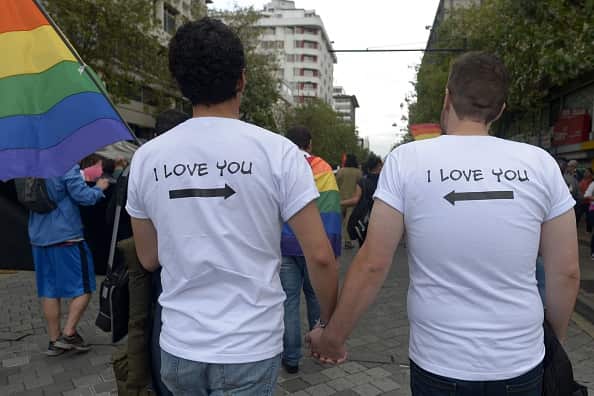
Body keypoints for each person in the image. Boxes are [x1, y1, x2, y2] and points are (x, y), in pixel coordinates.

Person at [309, 52, 580, 395]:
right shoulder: (540, 164)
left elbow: (373, 263)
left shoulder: (407, 160)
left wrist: (333, 337)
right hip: (520, 361)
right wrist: (551, 340)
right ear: (500, 110)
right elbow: (567, 271)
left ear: (447, 97)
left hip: (439, 361)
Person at [126, 18, 338, 395]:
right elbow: (320, 256)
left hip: (178, 344)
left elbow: (148, 257)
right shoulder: (278, 153)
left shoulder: (147, 158)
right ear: (242, 79)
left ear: (181, 83)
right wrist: (328, 326)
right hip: (249, 345)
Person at [28, 165, 109, 355]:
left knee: (49, 290)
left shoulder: (29, 165)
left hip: (39, 237)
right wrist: (100, 187)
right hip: (67, 236)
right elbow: (84, 197)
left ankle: (54, 340)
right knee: (85, 286)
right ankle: (69, 333)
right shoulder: (64, 163)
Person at [280, 126, 341, 374]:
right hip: (315, 246)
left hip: (284, 246)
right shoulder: (323, 168)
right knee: (316, 297)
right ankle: (320, 349)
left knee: (289, 302)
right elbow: (331, 212)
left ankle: (292, 358)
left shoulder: (279, 165)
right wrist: (332, 249)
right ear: (310, 144)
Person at [343, 155, 383, 246]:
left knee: (364, 246)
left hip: (365, 219)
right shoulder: (385, 181)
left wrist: (340, 203)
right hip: (381, 218)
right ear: (379, 166)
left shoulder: (363, 182)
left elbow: (355, 200)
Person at [336, 154, 362, 249]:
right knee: (348, 221)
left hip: (340, 199)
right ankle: (348, 241)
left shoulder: (341, 171)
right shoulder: (359, 173)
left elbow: (336, 184)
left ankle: (335, 239)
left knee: (339, 221)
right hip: (352, 200)